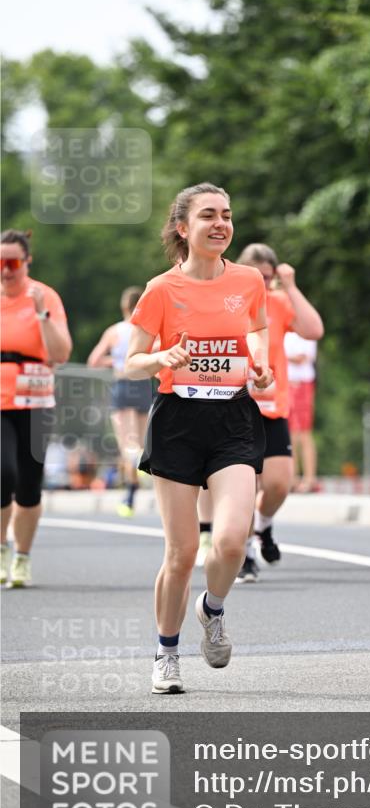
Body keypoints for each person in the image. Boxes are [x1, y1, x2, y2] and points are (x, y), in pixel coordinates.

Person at [124, 183, 273, 694]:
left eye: (227, 215)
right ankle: (166, 653)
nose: (221, 224)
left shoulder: (250, 280)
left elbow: (257, 330)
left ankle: (212, 609)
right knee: (182, 552)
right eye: (208, 215)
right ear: (183, 228)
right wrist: (160, 358)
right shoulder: (161, 289)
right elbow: (132, 358)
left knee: (231, 540)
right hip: (178, 422)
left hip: (233, 417)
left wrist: (261, 363)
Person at [197, 244, 323, 583]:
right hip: (233, 407)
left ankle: (263, 527)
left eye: (269, 278)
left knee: (279, 484)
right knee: (246, 487)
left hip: (272, 407)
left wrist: (291, 286)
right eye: (258, 277)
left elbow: (313, 330)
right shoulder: (227, 302)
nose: (263, 284)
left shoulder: (279, 303)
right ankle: (247, 553)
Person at [1, 229, 72, 587]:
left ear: (27, 262)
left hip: (35, 400)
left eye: (12, 262)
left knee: (29, 484)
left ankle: (22, 558)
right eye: (0, 263)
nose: (5, 270)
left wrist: (42, 313)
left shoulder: (45, 296)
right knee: (3, 473)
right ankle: (0, 551)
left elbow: (60, 353)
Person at [87, 286, 154, 516]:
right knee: (141, 441)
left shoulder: (114, 331)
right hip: (143, 383)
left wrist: (115, 360)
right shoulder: (146, 329)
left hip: (123, 383)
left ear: (124, 307)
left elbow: (93, 360)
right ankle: (130, 494)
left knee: (127, 444)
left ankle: (131, 484)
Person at [285, 331, 319, 493]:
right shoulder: (285, 330)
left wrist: (281, 356)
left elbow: (302, 357)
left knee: (304, 432)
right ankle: (293, 477)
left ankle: (309, 478)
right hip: (286, 383)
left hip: (302, 383)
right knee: (290, 432)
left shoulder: (306, 331)